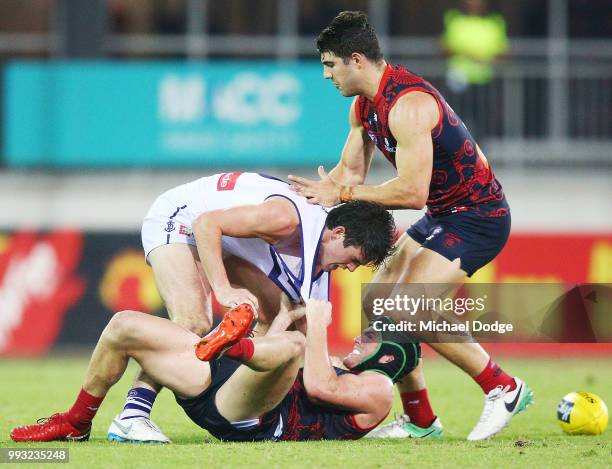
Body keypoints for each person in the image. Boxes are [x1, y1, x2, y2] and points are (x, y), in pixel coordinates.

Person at [287, 11, 532, 441]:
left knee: (408, 310)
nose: (326, 75)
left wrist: (342, 195)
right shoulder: (363, 107)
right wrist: (314, 194)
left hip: (480, 216)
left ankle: (503, 387)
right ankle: (422, 422)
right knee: (377, 303)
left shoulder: (408, 105)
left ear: (356, 60)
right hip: (444, 213)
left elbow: (411, 193)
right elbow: (349, 174)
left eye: (330, 64)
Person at [108, 171, 397, 442]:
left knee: (279, 316)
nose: (349, 269)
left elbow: (307, 343)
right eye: (354, 260)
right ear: (338, 233)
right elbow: (206, 224)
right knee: (194, 320)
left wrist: (324, 356)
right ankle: (135, 412)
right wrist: (223, 289)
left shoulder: (317, 251)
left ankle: (230, 367)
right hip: (183, 217)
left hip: (228, 235)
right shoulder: (284, 219)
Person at [10, 300, 420, 442]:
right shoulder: (347, 371)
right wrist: (284, 318)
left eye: (370, 336)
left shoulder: (378, 389)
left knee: (294, 345)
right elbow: (291, 365)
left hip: (253, 418)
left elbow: (314, 383)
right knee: (123, 326)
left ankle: (230, 344)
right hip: (223, 385)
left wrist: (316, 327)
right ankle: (76, 423)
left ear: (387, 357)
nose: (360, 338)